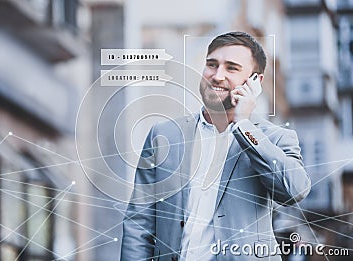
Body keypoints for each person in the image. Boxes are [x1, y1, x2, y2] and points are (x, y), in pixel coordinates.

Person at [120, 31, 311, 261]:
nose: (217, 76)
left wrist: (243, 125)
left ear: (255, 81)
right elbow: (139, 221)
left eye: (231, 68)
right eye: (212, 65)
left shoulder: (274, 139)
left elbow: (295, 190)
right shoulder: (164, 136)